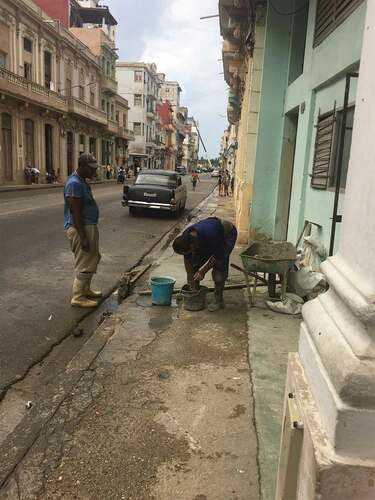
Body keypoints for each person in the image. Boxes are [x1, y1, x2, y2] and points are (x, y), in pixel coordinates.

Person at [173, 217, 238, 312]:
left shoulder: (211, 234)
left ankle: (218, 300)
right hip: (205, 238)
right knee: (194, 265)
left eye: (190, 250)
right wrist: (190, 277)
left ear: (192, 245)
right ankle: (195, 293)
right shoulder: (186, 237)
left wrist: (203, 271)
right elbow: (187, 259)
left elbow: (217, 256)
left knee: (219, 268)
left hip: (226, 235)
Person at [64, 153, 102, 308]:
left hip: (88, 226)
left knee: (93, 258)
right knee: (85, 262)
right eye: (91, 169)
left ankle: (85, 289)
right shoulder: (74, 183)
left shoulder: (82, 181)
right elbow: (75, 212)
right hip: (81, 229)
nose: (94, 172)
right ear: (82, 167)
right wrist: (83, 237)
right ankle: (78, 296)